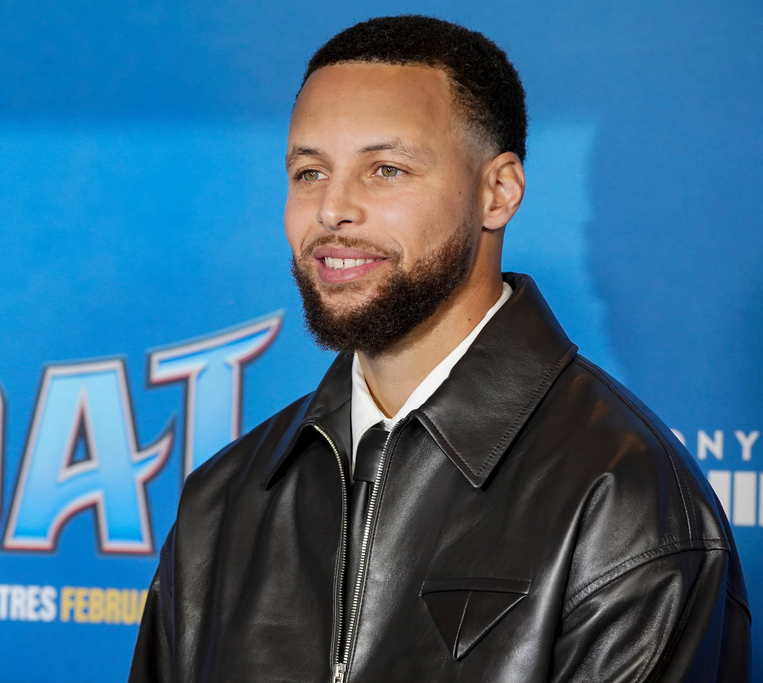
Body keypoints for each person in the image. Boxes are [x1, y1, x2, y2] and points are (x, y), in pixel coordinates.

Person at [130, 15, 750, 682]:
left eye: (386, 169)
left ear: (499, 191)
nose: (332, 209)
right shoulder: (223, 501)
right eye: (309, 172)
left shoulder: (626, 503)